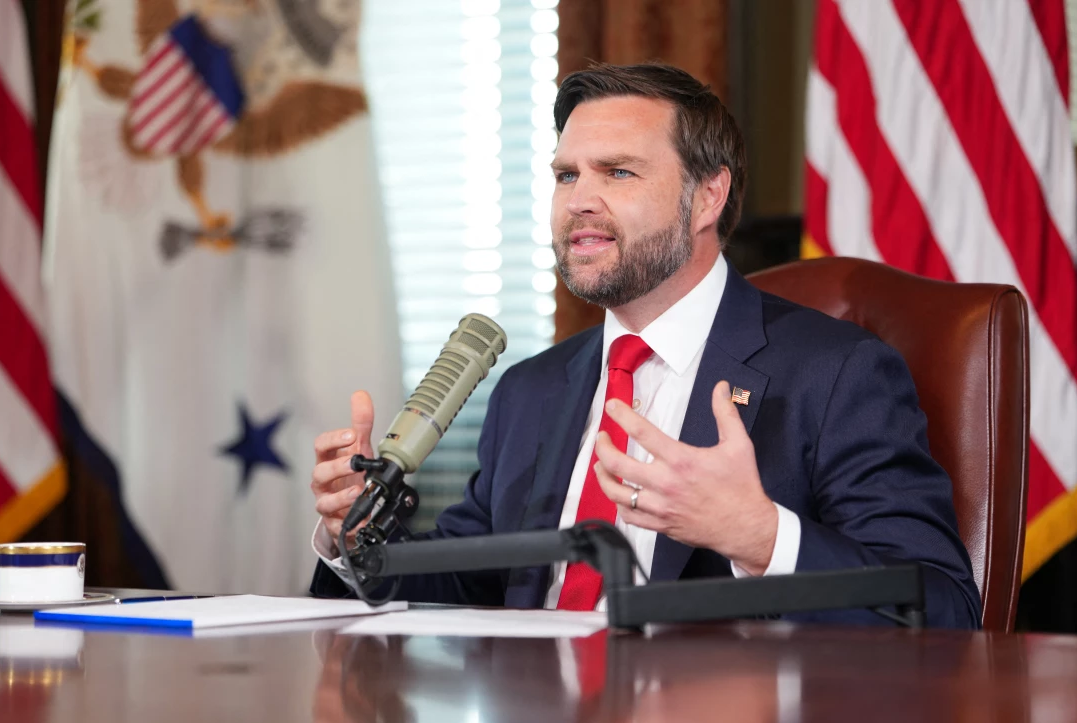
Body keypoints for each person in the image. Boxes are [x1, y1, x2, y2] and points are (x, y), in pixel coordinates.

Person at [309, 63, 981, 628]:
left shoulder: (836, 373)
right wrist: (360, 540)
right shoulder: (529, 391)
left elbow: (942, 606)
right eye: (567, 175)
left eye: (618, 173)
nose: (579, 200)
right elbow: (469, 591)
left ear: (707, 196)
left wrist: (759, 536)